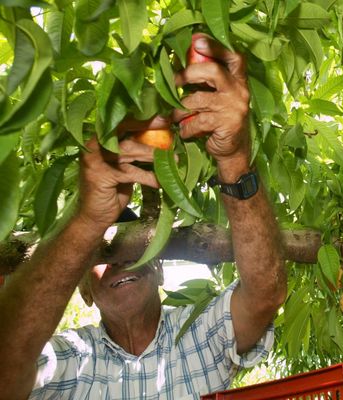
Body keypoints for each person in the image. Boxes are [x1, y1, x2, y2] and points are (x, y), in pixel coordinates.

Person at [0, 34, 287, 399]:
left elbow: (265, 293)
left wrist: (233, 160)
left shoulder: (199, 331)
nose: (120, 264)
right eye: (105, 254)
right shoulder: (68, 359)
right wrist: (86, 220)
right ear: (83, 290)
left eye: (132, 250)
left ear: (161, 267)